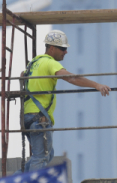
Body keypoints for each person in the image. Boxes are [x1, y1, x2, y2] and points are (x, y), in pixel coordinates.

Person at [21, 29, 111, 172]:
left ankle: (16, 182)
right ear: (51, 48)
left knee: (46, 155)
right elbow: (70, 77)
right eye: (62, 48)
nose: (66, 52)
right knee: (40, 158)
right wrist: (96, 85)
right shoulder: (49, 62)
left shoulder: (34, 63)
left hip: (27, 116)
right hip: (39, 118)